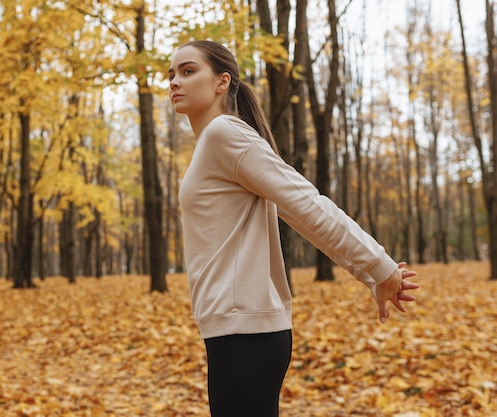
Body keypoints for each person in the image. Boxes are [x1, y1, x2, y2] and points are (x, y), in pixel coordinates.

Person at [167, 40, 420, 417]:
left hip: (246, 333)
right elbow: (299, 216)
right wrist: (369, 275)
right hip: (235, 329)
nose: (174, 81)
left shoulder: (225, 134)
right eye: (171, 74)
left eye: (188, 71)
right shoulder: (213, 142)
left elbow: (307, 205)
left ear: (222, 82)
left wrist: (379, 266)